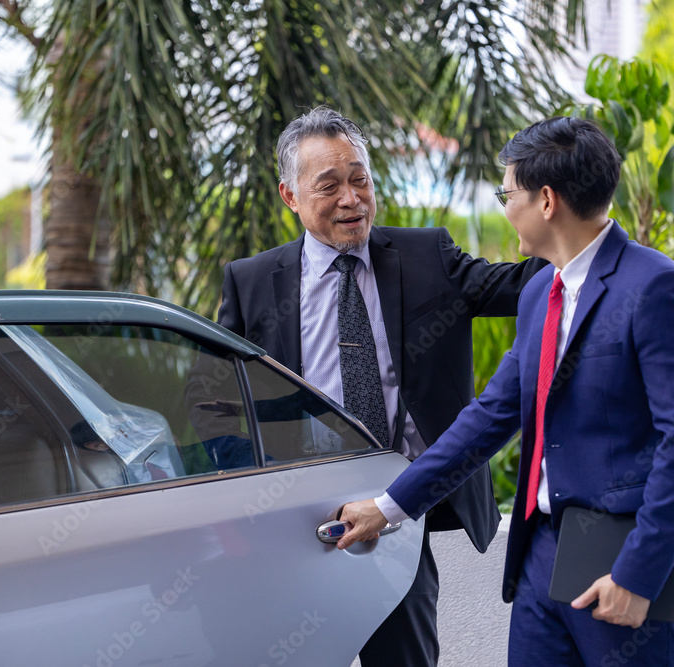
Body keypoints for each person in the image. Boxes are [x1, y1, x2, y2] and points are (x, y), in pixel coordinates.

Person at [338, 117, 674, 666]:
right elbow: (489, 417)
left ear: (546, 201)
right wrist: (389, 507)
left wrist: (638, 573)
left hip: (626, 558)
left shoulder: (658, 288)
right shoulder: (541, 289)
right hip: (543, 554)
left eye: (507, 193)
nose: (503, 206)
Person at [215, 106, 548, 667]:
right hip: (290, 517)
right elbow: (214, 404)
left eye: (359, 179)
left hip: (394, 511)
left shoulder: (424, 256)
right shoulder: (252, 283)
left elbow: (521, 285)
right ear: (290, 196)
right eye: (329, 185)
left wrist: (576, 225)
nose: (351, 198)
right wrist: (246, 505)